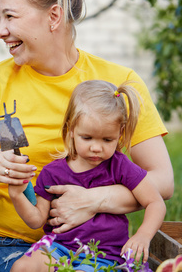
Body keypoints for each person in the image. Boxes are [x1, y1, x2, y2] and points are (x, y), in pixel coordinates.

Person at [0, 0, 173, 271]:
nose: (0, 31)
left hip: (98, 247)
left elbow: (163, 181)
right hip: (9, 244)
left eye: (10, 17)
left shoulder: (117, 83)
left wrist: (95, 200)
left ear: (54, 16)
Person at [9, 80, 167, 271]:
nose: (96, 147)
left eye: (107, 140)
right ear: (72, 129)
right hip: (59, 247)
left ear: (120, 134)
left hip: (103, 255)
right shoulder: (53, 172)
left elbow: (155, 203)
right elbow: (36, 220)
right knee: (23, 266)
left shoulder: (120, 166)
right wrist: (17, 195)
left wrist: (143, 235)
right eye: (87, 138)